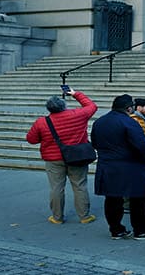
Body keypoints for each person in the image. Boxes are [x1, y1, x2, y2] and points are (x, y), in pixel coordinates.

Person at [91, 94, 145, 240]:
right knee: (138, 200)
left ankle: (116, 230)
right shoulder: (129, 122)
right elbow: (141, 146)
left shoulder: (100, 121)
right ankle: (141, 230)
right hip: (130, 166)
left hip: (107, 165)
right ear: (129, 108)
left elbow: (95, 143)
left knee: (112, 200)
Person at [25, 88, 98, 224]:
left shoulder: (42, 122)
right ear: (64, 106)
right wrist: (75, 94)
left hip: (54, 159)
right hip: (77, 157)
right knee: (80, 185)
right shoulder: (78, 114)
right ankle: (84, 216)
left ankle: (57, 217)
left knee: (57, 188)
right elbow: (92, 106)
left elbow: (31, 139)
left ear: (49, 109)